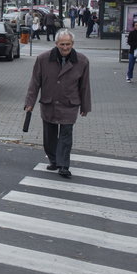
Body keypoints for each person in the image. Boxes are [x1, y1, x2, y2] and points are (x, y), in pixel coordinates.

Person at [24, 29, 91, 178]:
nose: (65, 48)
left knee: (66, 134)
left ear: (72, 44)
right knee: (50, 135)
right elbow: (35, 82)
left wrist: (85, 106)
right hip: (49, 102)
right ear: (56, 44)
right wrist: (30, 102)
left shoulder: (82, 61)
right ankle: (54, 159)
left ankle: (63, 165)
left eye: (68, 44)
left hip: (69, 103)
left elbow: (85, 86)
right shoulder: (43, 59)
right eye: (62, 44)